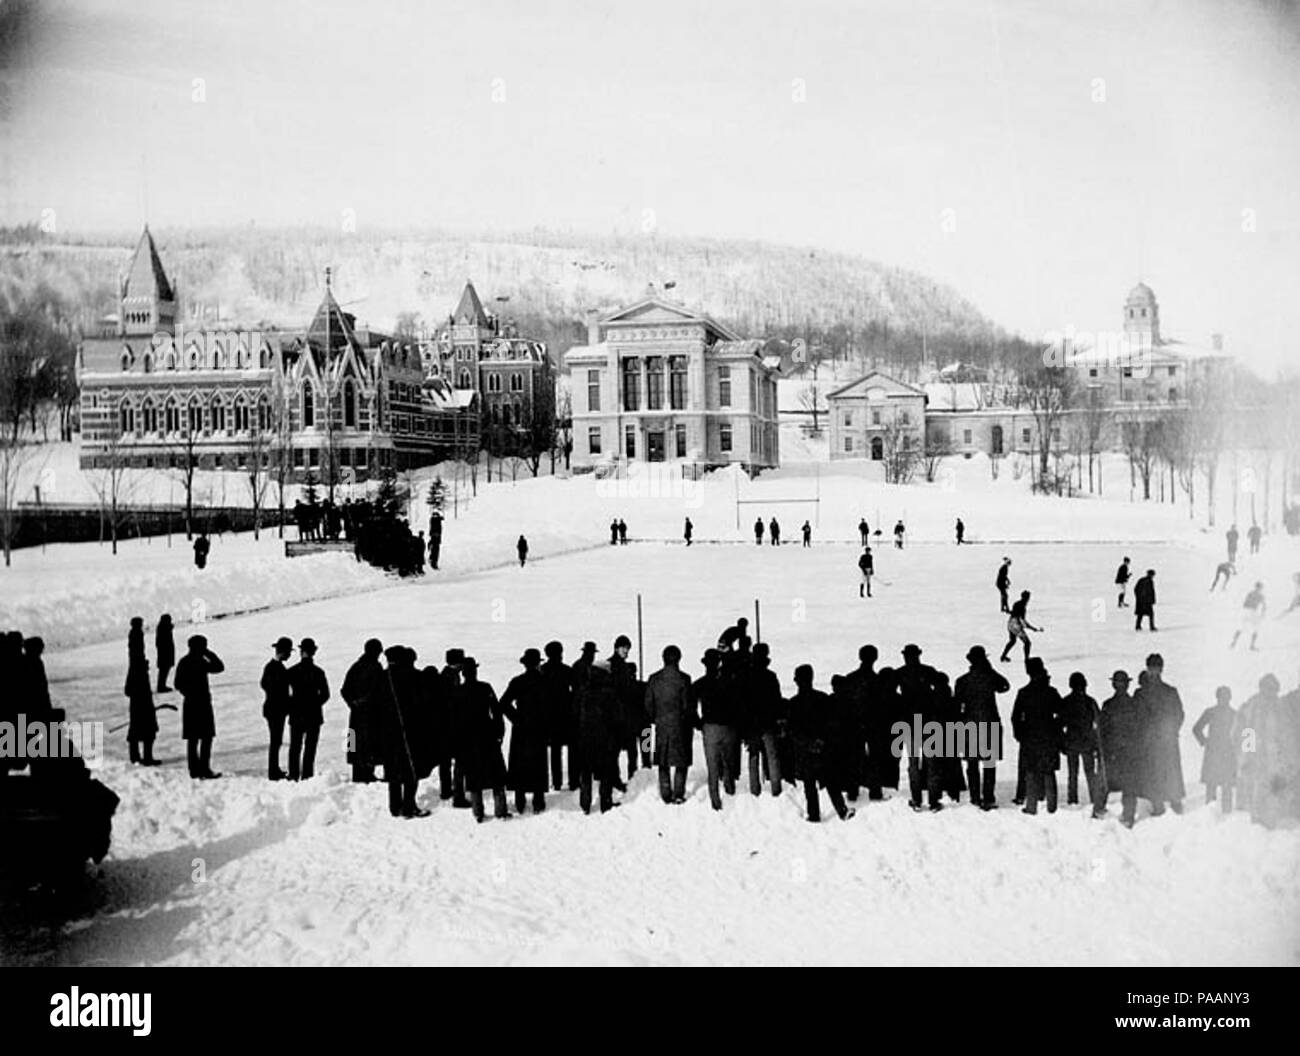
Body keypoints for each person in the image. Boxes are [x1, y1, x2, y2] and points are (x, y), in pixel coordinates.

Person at [788, 664, 854, 822]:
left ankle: (814, 815)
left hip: (805, 750)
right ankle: (841, 810)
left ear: (797, 681)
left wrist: (806, 743)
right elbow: (831, 725)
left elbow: (793, 731)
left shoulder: (794, 703)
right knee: (831, 781)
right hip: (823, 748)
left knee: (809, 785)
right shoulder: (823, 698)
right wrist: (822, 742)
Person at [952, 645, 1010, 810]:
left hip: (969, 724)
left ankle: (975, 797)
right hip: (990, 722)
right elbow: (1005, 686)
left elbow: (957, 706)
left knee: (972, 764)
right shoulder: (990, 677)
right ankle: (989, 796)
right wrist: (990, 669)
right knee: (989, 763)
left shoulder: (962, 681)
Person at [378, 645, 432, 818]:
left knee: (393, 770)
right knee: (411, 770)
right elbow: (422, 703)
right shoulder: (411, 676)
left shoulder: (382, 677)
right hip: (411, 732)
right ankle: (409, 807)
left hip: (387, 732)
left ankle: (394, 807)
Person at [459, 657, 510, 822]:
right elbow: (496, 711)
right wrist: (499, 733)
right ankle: (500, 810)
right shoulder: (485, 687)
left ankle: (478, 811)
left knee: (474, 776)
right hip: (487, 734)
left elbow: (453, 718)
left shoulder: (458, 691)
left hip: (467, 737)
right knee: (496, 775)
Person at [845, 645, 899, 800]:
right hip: (873, 725)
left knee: (855, 757)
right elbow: (881, 705)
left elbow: (846, 703)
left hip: (854, 724)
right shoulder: (878, 681)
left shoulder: (851, 678)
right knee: (875, 758)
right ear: (875, 658)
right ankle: (875, 791)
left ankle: (852, 791)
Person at [501, 648, 550, 814]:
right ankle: (538, 801)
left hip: (521, 729)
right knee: (538, 763)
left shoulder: (517, 681)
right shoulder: (544, 681)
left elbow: (503, 703)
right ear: (537, 664)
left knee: (519, 764)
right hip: (539, 727)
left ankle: (520, 801)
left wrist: (516, 719)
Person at [1010, 657, 1062, 815]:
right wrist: (1055, 729)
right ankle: (1052, 806)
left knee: (1031, 771)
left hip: (1030, 737)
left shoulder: (1024, 692)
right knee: (1049, 771)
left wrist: (1020, 735)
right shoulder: (1051, 692)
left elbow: (1015, 717)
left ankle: (1031, 806)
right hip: (1048, 736)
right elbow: (1061, 712)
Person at [644, 645, 695, 804]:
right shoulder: (684, 679)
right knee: (681, 761)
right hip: (680, 726)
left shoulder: (654, 679)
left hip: (661, 725)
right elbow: (688, 705)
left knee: (663, 760)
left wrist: (655, 719)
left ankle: (665, 792)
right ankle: (678, 793)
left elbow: (648, 704)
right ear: (679, 659)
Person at [895, 644, 943, 811]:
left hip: (909, 723)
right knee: (932, 764)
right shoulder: (928, 671)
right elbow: (941, 688)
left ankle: (916, 800)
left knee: (913, 764)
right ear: (918, 655)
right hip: (928, 722)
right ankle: (933, 801)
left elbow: (893, 696)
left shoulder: (900, 673)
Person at [1135, 653, 1184, 816]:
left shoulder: (1170, 691)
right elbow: (1136, 717)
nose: (1153, 672)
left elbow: (1179, 714)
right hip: (1149, 741)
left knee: (1170, 771)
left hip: (1166, 739)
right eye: (1151, 668)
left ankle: (1175, 803)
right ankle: (1157, 805)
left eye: (1156, 668)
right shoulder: (1140, 693)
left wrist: (1172, 730)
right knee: (1153, 772)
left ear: (1161, 669)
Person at [174, 634, 224, 779]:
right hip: (198, 703)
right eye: (203, 646)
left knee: (197, 738)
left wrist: (188, 694)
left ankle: (196, 770)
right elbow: (219, 666)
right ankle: (202, 769)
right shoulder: (196, 661)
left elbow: (219, 667)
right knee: (202, 738)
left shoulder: (188, 661)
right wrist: (209, 653)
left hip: (194, 704)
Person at [573, 653, 618, 814]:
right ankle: (605, 803)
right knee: (605, 773)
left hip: (584, 739)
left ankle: (585, 804)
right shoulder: (610, 693)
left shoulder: (581, 692)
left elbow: (574, 715)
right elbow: (616, 718)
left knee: (586, 773)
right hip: (604, 740)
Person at [1097, 670, 1143, 826]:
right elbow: (1139, 730)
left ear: (1113, 685)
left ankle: (1099, 811)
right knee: (1129, 785)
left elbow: (1102, 731)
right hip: (1130, 751)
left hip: (1112, 752)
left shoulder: (1108, 705)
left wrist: (1103, 750)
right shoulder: (1135, 705)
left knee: (1105, 782)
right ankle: (1128, 816)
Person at [694, 648, 738, 809]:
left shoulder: (700, 683)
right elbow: (737, 705)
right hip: (728, 727)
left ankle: (715, 800)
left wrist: (698, 723)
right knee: (728, 762)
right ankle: (730, 791)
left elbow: (690, 706)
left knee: (712, 766)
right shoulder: (730, 682)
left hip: (710, 727)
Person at [341, 638, 385, 783]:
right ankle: (367, 774)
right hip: (371, 714)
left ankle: (358, 774)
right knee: (369, 744)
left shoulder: (356, 666)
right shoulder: (376, 668)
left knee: (355, 744)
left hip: (356, 714)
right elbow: (379, 691)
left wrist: (353, 703)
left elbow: (345, 690)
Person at [744, 642, 784, 796]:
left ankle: (754, 789)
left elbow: (743, 701)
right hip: (768, 722)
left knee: (754, 757)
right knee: (772, 757)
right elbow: (777, 700)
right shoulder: (770, 676)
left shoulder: (746, 675)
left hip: (752, 724)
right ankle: (776, 789)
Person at [1059, 672, 1103, 812]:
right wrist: (1097, 743)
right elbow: (1099, 723)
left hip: (1071, 741)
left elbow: (1060, 723)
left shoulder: (1066, 701)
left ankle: (1072, 800)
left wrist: (1062, 742)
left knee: (1073, 774)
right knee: (1090, 774)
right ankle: (1093, 799)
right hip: (1087, 742)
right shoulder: (1090, 701)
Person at [287, 637, 330, 781]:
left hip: (296, 714)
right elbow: (325, 694)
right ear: (314, 652)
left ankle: (293, 775)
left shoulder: (292, 671)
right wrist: (314, 704)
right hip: (313, 714)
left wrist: (292, 705)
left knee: (295, 747)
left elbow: (284, 693)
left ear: (300, 652)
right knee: (310, 748)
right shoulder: (318, 672)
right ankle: (307, 775)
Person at [1192, 686, 1237, 812]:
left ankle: (1226, 818)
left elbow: (1246, 733)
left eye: (1226, 697)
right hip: (1214, 756)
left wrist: (1243, 750)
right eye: (1222, 697)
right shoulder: (1210, 712)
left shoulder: (1235, 714)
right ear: (1217, 698)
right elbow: (1196, 728)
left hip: (1228, 756)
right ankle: (1209, 819)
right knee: (1211, 789)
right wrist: (1204, 742)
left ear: (1230, 698)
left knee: (1227, 790)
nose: (1224, 699)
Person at [541, 640, 577, 792]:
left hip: (549, 717)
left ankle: (556, 782)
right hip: (566, 715)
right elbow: (575, 692)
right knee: (572, 750)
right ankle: (573, 781)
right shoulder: (566, 670)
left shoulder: (542, 671)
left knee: (555, 751)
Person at [125, 618, 158, 766]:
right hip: (142, 698)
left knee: (137, 729)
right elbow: (136, 654)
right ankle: (146, 757)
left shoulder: (135, 665)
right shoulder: (136, 637)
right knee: (147, 729)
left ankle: (136, 756)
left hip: (138, 698)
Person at [260, 637, 293, 780]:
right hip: (275, 710)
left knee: (276, 741)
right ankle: (273, 772)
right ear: (283, 652)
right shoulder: (274, 667)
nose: (290, 655)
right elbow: (270, 687)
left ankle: (274, 769)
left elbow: (264, 684)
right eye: (288, 652)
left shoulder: (272, 666)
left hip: (273, 708)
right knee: (275, 741)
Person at [999, 590, 1041, 663]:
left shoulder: (1017, 603)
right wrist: (1032, 628)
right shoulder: (1023, 607)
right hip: (1016, 625)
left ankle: (1003, 656)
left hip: (1010, 623)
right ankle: (1026, 659)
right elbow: (1022, 620)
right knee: (1027, 643)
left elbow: (1014, 613)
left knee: (1012, 641)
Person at [1230, 581, 1266, 650]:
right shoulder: (1261, 596)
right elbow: (1264, 606)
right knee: (1256, 629)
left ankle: (1233, 643)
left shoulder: (1250, 593)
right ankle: (1252, 646)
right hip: (1253, 612)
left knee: (1241, 627)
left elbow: (1245, 603)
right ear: (1260, 588)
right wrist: (1263, 614)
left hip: (1245, 611)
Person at [155, 613, 175, 693]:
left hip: (164, 652)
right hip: (165, 652)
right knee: (164, 669)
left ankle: (161, 685)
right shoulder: (164, 628)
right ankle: (161, 686)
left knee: (164, 669)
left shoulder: (162, 628)